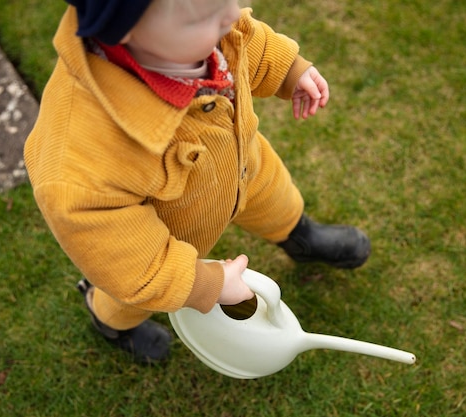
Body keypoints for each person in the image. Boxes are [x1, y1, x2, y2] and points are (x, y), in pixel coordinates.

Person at [24, 0, 371, 365]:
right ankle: (112, 323)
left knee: (278, 198)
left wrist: (288, 70)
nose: (231, 16)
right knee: (127, 299)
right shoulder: (80, 157)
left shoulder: (204, 28)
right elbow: (129, 261)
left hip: (244, 167)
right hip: (173, 231)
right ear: (123, 29)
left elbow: (245, 40)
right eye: (207, 16)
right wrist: (209, 284)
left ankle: (300, 236)